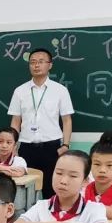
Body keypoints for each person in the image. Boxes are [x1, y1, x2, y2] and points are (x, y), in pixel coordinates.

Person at [7, 48, 74, 199]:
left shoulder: (60, 90)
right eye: (33, 62)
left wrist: (65, 145)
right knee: (26, 190)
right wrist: (13, 146)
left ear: (50, 65)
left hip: (52, 147)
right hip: (26, 147)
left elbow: (67, 120)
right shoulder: (20, 91)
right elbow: (16, 121)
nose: (36, 65)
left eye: (41, 61)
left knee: (52, 189)